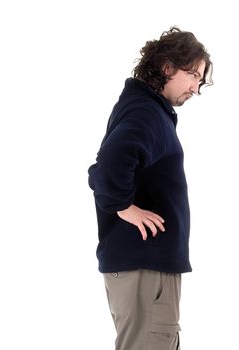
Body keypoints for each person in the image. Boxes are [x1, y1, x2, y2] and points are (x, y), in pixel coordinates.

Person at [88, 26, 212, 350]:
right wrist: (124, 206)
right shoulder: (147, 113)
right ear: (168, 67)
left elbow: (104, 169)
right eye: (194, 76)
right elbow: (106, 170)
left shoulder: (144, 109)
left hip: (144, 268)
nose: (196, 88)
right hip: (146, 268)